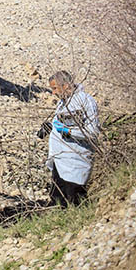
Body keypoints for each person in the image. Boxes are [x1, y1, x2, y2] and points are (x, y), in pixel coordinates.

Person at [41, 71, 99, 207]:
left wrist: (69, 132)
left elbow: (92, 132)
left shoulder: (85, 101)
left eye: (55, 88)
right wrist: (50, 128)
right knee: (57, 200)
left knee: (76, 199)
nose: (53, 93)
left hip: (76, 160)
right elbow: (61, 124)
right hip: (59, 160)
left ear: (66, 85)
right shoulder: (62, 104)